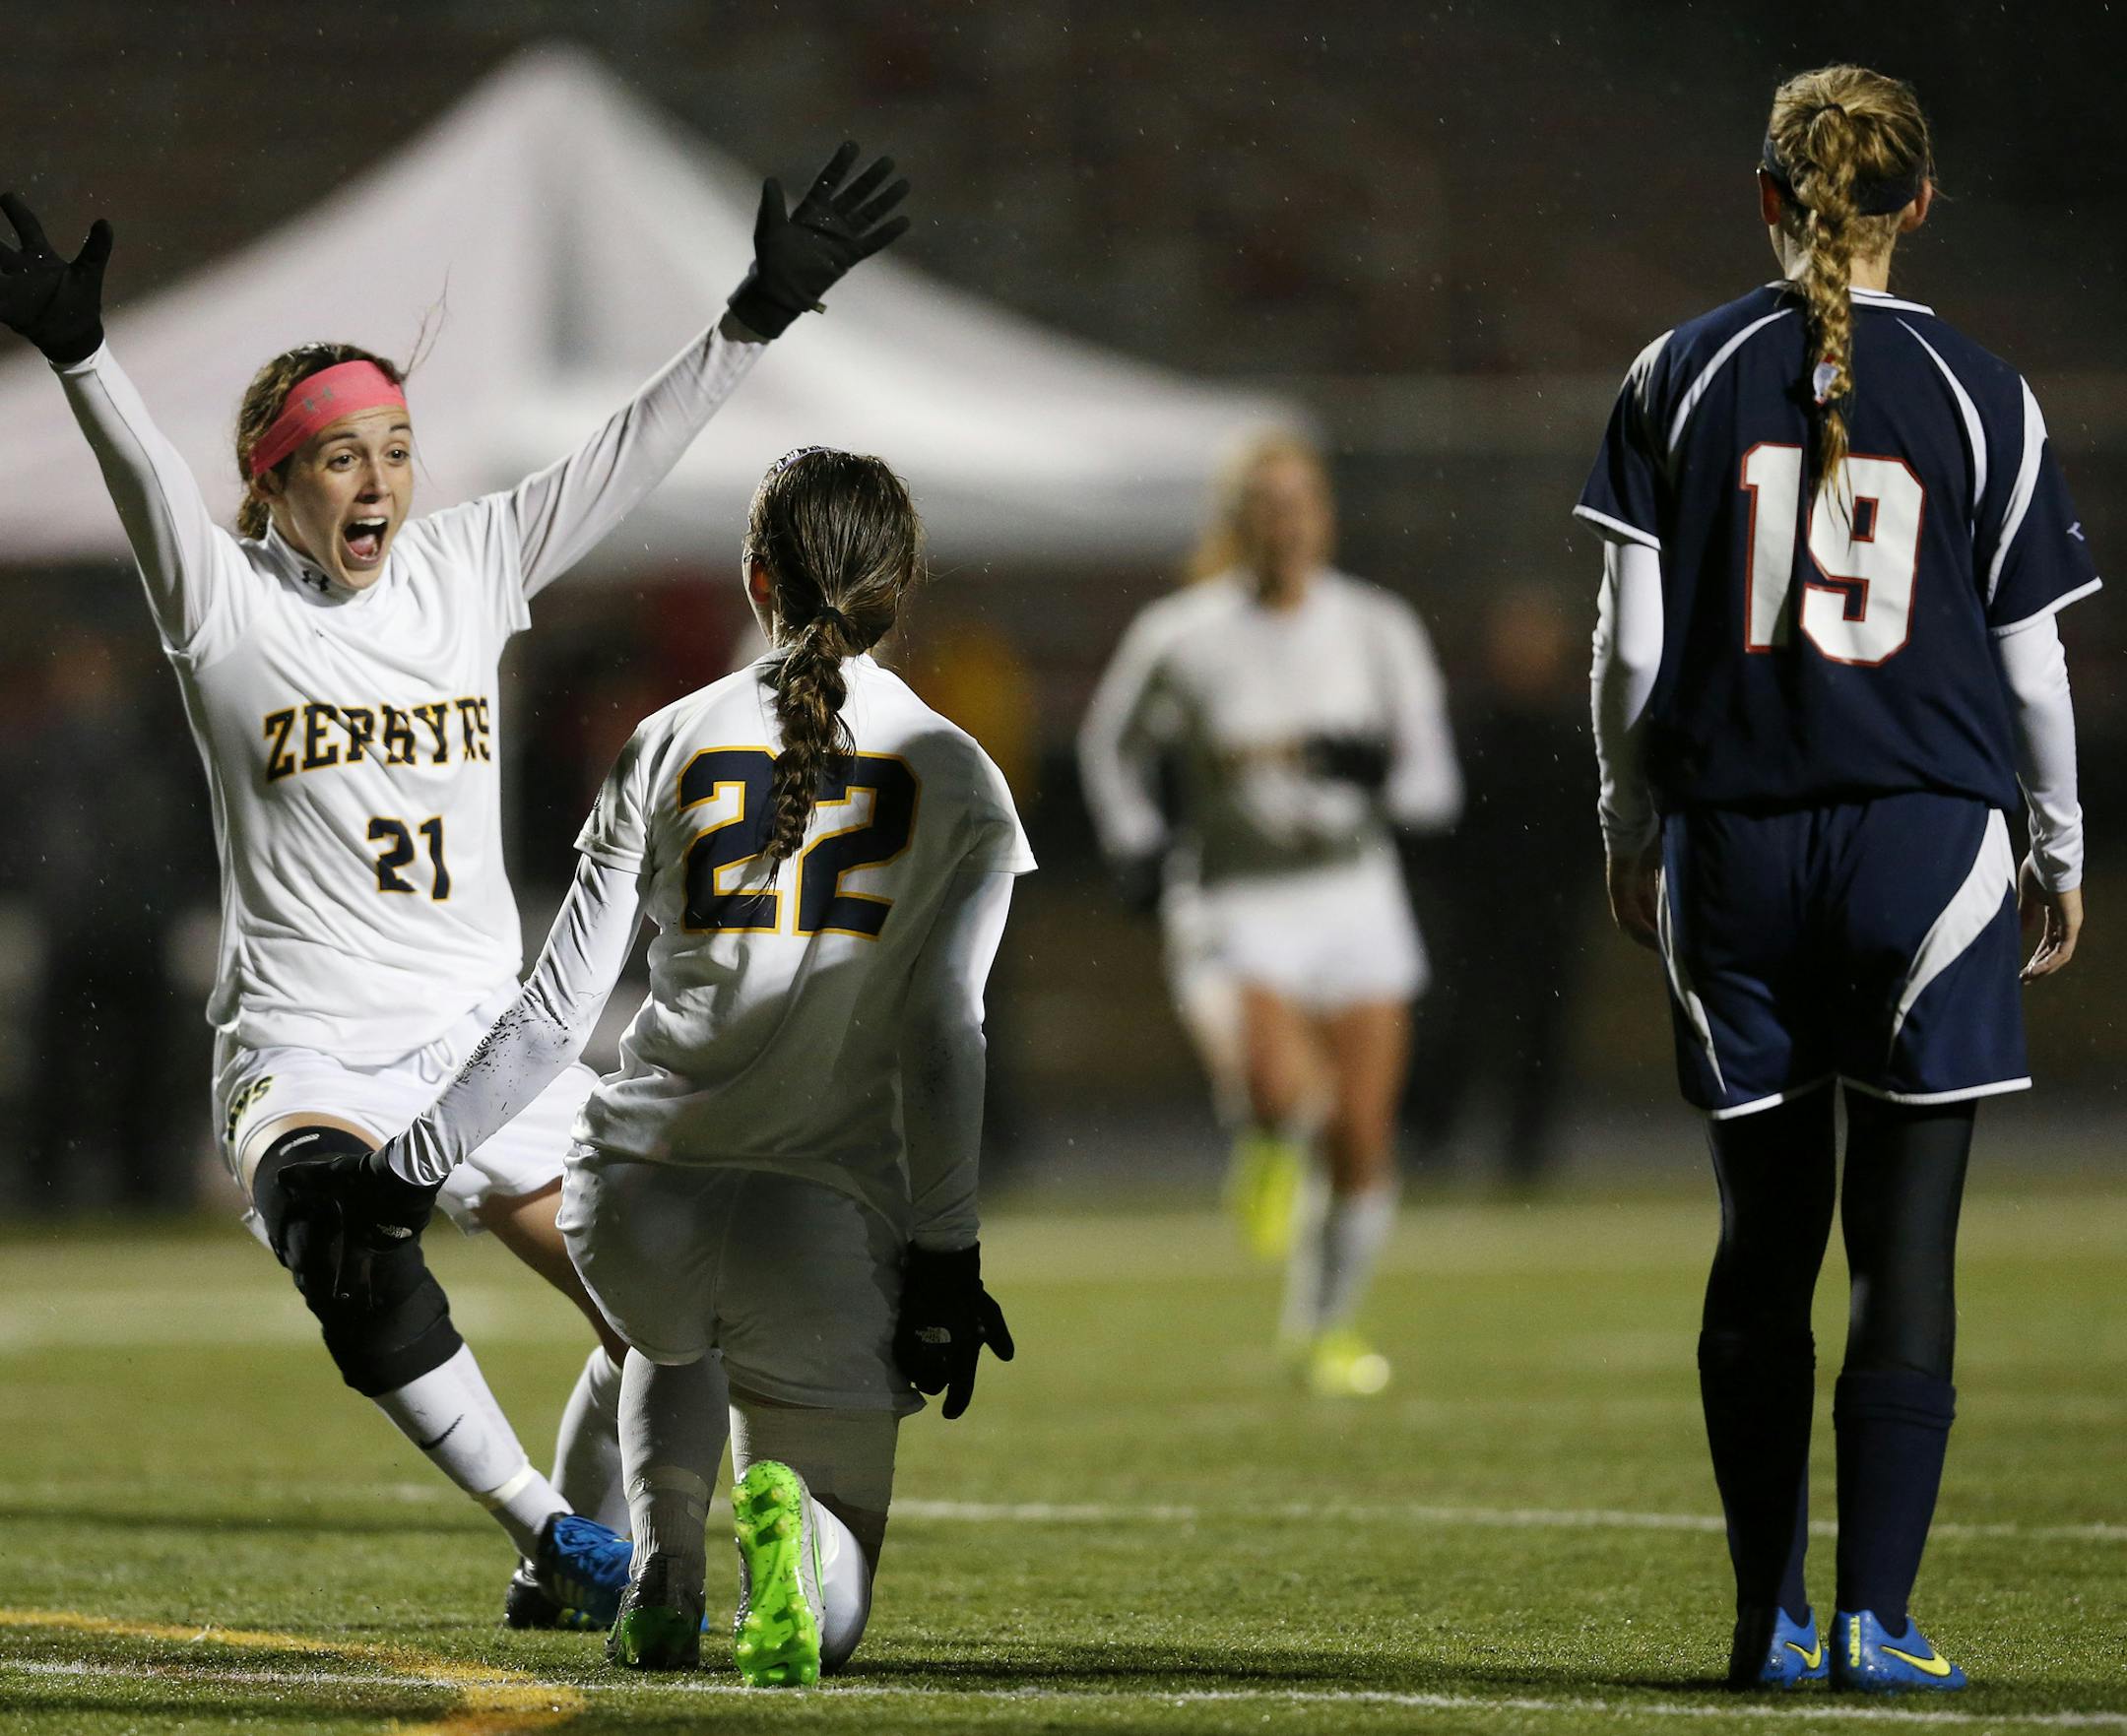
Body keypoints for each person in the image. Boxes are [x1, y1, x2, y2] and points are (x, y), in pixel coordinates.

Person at [0, 145, 910, 1624]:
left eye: (399, 446)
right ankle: (559, 1530)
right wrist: (82, 352)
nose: (382, 480)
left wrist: (754, 316)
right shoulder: (224, 607)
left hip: (486, 1039)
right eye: (343, 453)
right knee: (340, 1230)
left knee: (666, 1321)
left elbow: (627, 451)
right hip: (312, 1043)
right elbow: (141, 486)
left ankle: (604, 1562)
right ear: (273, 478)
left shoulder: (470, 561)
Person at [282, 445, 1031, 1686]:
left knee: (667, 1337)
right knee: (835, 1606)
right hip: (823, 1208)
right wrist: (947, 1249)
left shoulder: (667, 737)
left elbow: (550, 1013)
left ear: (756, 579)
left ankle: (666, 1555)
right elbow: (948, 1031)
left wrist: (410, 1164)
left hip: (637, 1189)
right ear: (903, 589)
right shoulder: (958, 770)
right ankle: (782, 1539)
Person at [1579, 65, 2095, 1694]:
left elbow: (1629, 643)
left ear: (1767, 198)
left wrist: (1626, 815)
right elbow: (2033, 675)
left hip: (1736, 837)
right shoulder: (1986, 388)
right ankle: (1877, 1613)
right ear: (1916, 206)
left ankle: (1765, 1616)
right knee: (1908, 1240)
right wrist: (2062, 847)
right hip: (1929, 845)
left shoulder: (1677, 368)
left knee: (1763, 1236)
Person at [1078, 432, 1461, 1397]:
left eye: (1300, 503)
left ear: (1325, 517)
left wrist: (1380, 776)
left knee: (1362, 1138)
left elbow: (1434, 787)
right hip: (1235, 893)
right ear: (1236, 522)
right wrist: (1132, 838)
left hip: (1354, 895)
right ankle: (1262, 1137)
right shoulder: (1181, 633)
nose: (1285, 523)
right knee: (1281, 1089)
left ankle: (1324, 1329)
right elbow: (1107, 744)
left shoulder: (1377, 626)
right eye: (1265, 505)